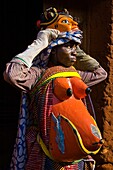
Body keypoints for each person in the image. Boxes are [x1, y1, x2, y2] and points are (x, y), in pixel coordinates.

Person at [3, 7, 107, 170]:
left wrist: (75, 49)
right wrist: (41, 43)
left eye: (75, 47)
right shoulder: (38, 74)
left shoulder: (75, 74)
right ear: (51, 51)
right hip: (45, 152)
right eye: (68, 47)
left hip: (76, 153)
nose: (73, 52)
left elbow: (100, 73)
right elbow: (12, 74)